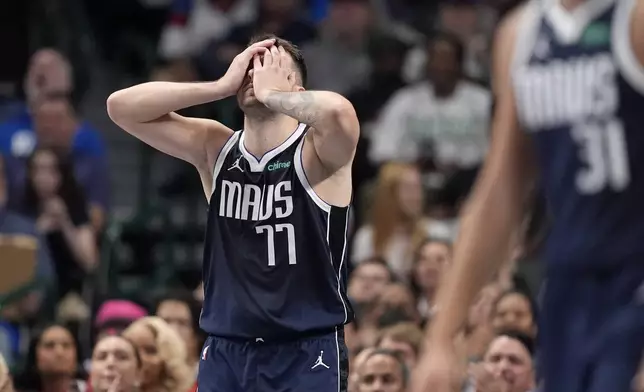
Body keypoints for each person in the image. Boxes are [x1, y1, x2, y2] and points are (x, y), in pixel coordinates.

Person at [412, 0, 644, 390]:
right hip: (570, 284)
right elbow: (499, 193)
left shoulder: (634, 19)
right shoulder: (519, 36)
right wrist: (440, 337)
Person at [107, 34, 359, 392]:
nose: (254, 75)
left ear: (297, 87)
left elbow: (339, 112)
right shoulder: (215, 147)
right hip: (227, 349)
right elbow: (121, 106)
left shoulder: (316, 151)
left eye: (268, 66)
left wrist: (275, 95)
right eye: (249, 67)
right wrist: (218, 86)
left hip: (305, 349)